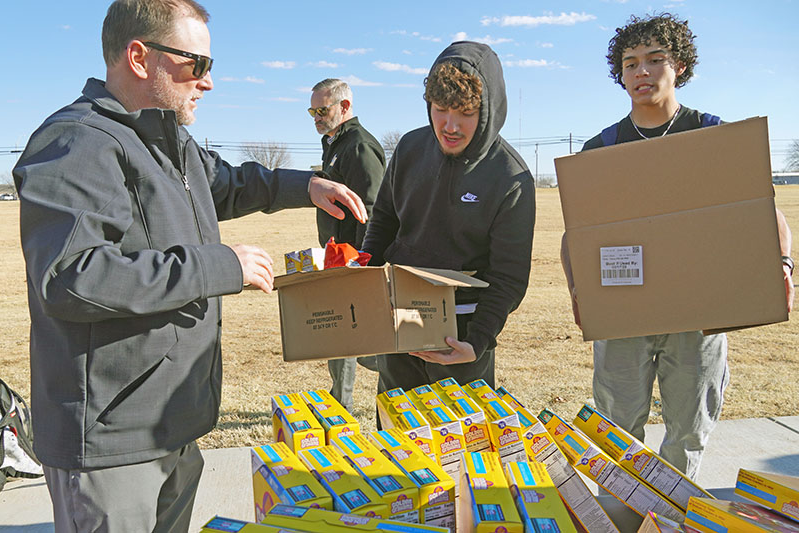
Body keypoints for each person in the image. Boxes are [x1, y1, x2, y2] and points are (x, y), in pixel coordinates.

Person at [12, 1, 366, 531]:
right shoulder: (76, 143)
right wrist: (219, 267)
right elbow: (73, 277)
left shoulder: (166, 140)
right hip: (113, 443)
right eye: (196, 64)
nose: (208, 82)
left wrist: (307, 185)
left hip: (172, 424)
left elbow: (230, 182)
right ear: (138, 57)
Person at [560, 13, 794, 480]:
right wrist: (578, 291)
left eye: (655, 59)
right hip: (624, 310)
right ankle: (628, 510)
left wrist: (783, 264)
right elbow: (576, 236)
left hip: (699, 313)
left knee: (688, 427)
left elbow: (762, 211)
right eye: (630, 63)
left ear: (680, 65)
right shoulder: (601, 148)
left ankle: (672, 513)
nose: (641, 71)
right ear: (620, 74)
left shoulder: (712, 136)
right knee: (616, 426)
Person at [362, 41, 535, 395]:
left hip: (463, 334)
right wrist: (366, 291)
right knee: (395, 437)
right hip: (400, 319)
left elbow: (509, 277)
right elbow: (382, 223)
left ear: (488, 111)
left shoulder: (510, 177)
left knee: (458, 443)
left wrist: (477, 342)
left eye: (466, 113)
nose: (450, 126)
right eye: (441, 109)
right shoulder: (410, 149)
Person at [309, 78, 385, 411]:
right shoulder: (335, 144)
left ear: (344, 107)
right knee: (339, 333)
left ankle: (404, 372)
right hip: (336, 255)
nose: (315, 116)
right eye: (311, 110)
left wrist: (362, 261)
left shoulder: (359, 147)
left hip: (353, 258)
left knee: (356, 336)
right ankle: (340, 399)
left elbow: (373, 209)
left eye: (322, 109)